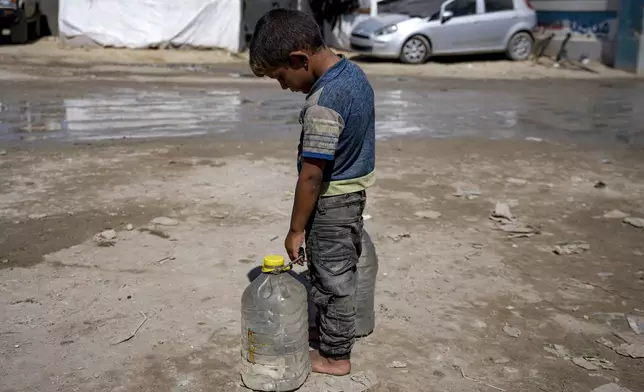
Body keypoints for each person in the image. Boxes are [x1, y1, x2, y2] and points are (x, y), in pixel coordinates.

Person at [248, 9, 376, 376]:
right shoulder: (353, 75)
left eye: (281, 76)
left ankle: (335, 356)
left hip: (332, 202)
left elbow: (311, 177)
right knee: (330, 269)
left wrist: (295, 229)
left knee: (333, 278)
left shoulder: (323, 104)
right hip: (351, 195)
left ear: (298, 59)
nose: (284, 86)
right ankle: (327, 331)